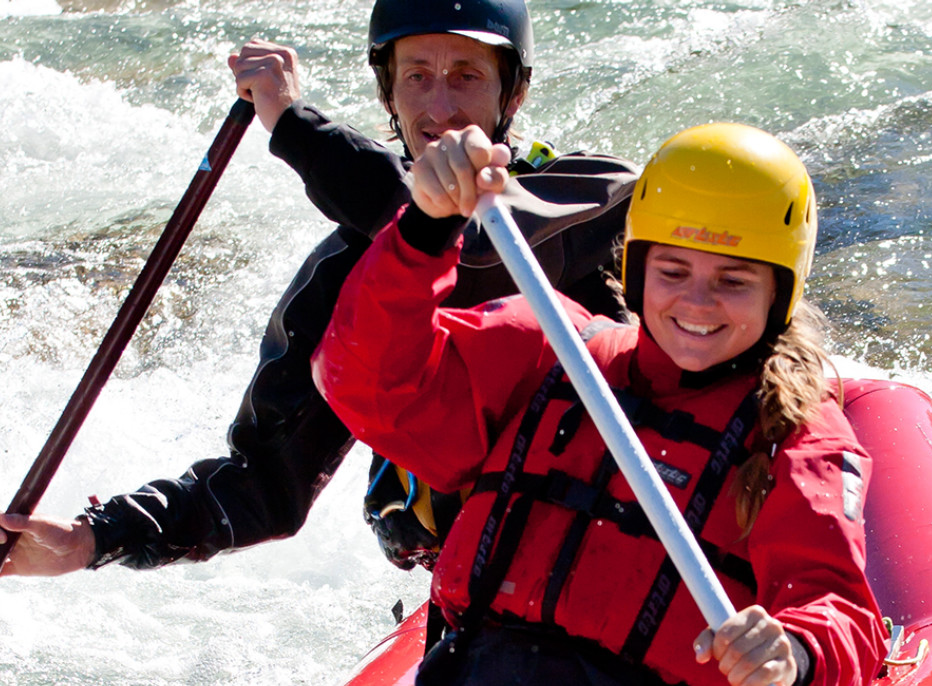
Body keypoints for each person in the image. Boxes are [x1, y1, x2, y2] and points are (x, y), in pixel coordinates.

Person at [0, 0, 636, 583]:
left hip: (633, 536)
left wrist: (295, 128)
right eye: (417, 76)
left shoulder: (596, 195)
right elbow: (264, 484)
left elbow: (478, 248)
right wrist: (93, 539)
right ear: (389, 94)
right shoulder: (352, 272)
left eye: (467, 74)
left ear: (514, 93)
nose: (440, 108)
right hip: (489, 583)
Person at [311, 122, 888, 686]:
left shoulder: (796, 436)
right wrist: (425, 227)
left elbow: (837, 604)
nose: (698, 302)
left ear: (779, 293)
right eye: (673, 270)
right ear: (635, 272)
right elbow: (365, 382)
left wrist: (794, 652)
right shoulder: (549, 349)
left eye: (734, 281)